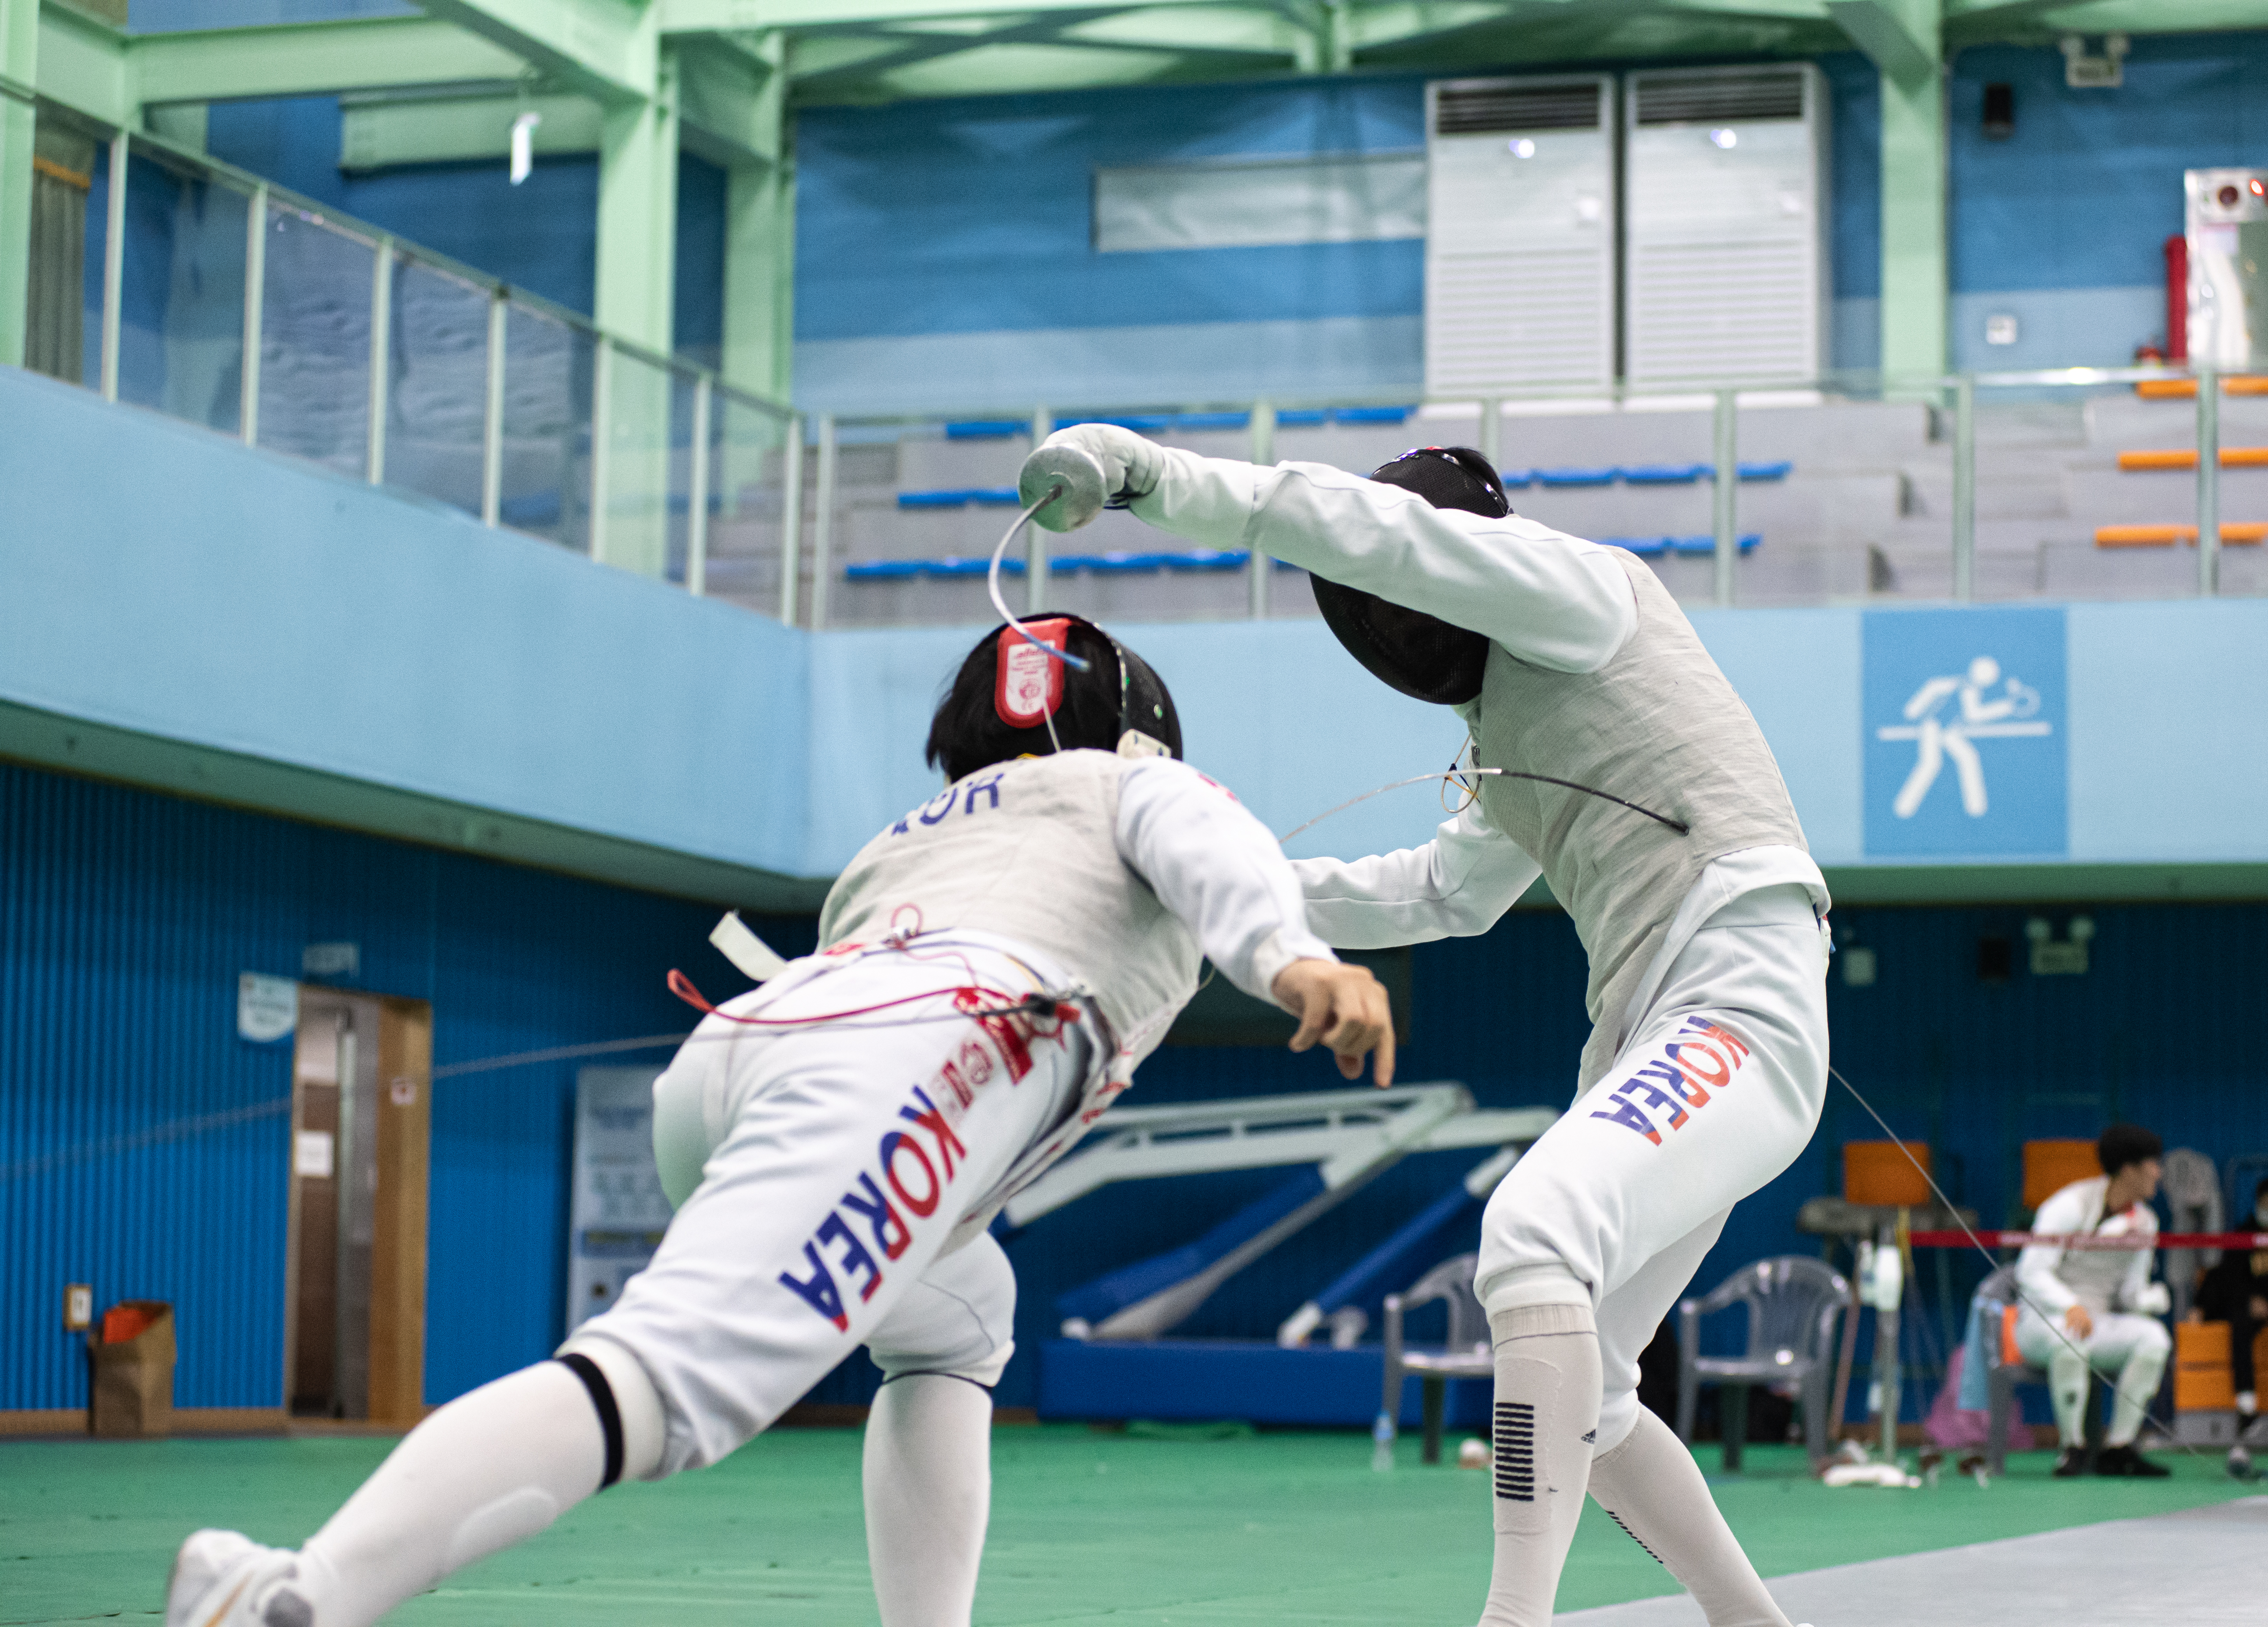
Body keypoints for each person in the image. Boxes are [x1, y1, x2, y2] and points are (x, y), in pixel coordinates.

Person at [164, 613, 1395, 1627]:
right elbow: (1217, 849)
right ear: (1143, 732)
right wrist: (1293, 961)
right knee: (662, 1385)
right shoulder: (1143, 786)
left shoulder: (917, 832)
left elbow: (1251, 871)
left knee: (964, 1316)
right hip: (927, 1051)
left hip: (741, 1059)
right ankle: (289, 1597)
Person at [1021, 430, 1830, 1627]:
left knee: (1533, 1229)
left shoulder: (1591, 594)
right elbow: (1436, 894)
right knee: (1594, 1393)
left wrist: (1147, 474)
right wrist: (1212, 893)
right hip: (1646, 1030)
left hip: (1740, 991)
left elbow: (1359, 528)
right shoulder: (1506, 734)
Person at [2013, 1123, 2173, 1478]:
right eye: (2153, 1164)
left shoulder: (2146, 1222)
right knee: (2072, 1338)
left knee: (2154, 1339)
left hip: (2096, 1321)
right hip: (2044, 1322)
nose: (2159, 1173)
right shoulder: (2070, 1205)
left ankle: (2119, 1448)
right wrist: (2070, 1304)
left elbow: (2130, 1293)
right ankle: (2073, 1446)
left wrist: (2149, 1300)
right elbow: (2031, 1271)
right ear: (2129, 1169)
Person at [2190, 1176, 2268, 1420]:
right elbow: (2227, 1275)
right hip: (2251, 1303)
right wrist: (2202, 1305)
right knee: (2240, 1320)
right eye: (2263, 1204)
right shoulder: (2246, 1233)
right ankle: (2246, 1402)